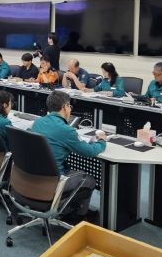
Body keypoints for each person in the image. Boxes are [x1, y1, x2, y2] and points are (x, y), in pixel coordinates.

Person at [31, 91, 106, 222]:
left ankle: (68, 209)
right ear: (65, 106)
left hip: (32, 179)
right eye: (70, 106)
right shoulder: (66, 130)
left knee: (71, 171)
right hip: (54, 183)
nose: (70, 109)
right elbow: (89, 151)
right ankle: (79, 217)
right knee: (89, 180)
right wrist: (102, 141)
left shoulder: (38, 122)